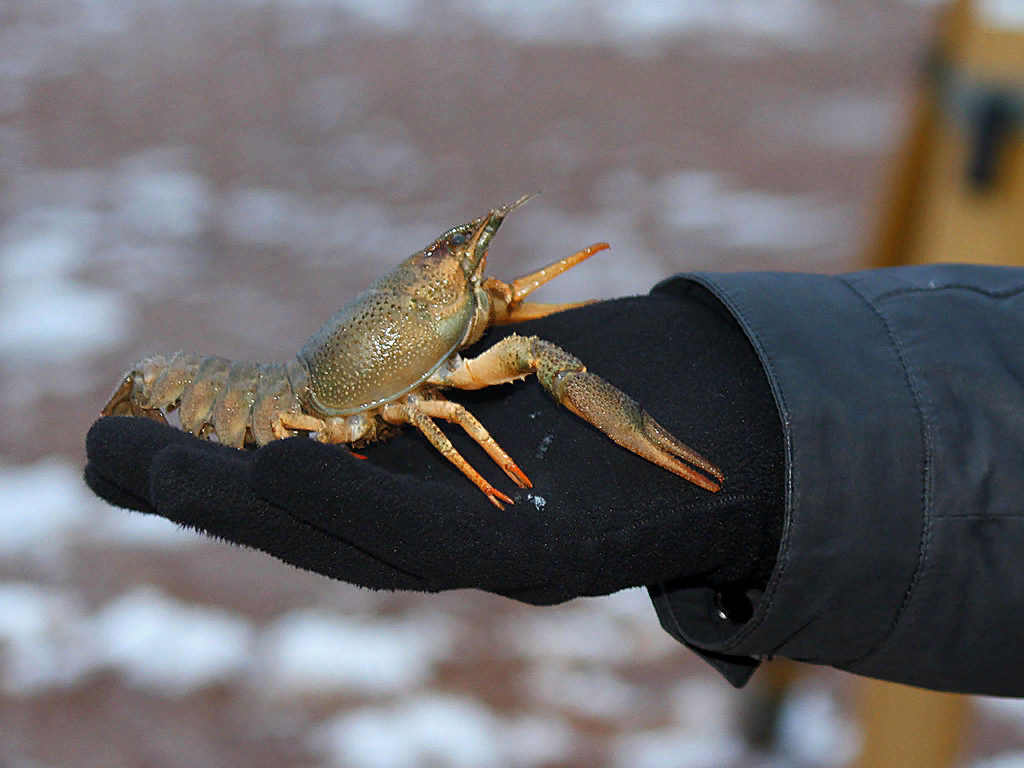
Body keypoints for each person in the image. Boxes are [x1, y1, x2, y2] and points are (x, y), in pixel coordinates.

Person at [85, 264, 1024, 697]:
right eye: (463, 281)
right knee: (452, 411)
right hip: (262, 399)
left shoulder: (437, 321)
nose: (484, 288)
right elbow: (443, 412)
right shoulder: (392, 375)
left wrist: (782, 436)